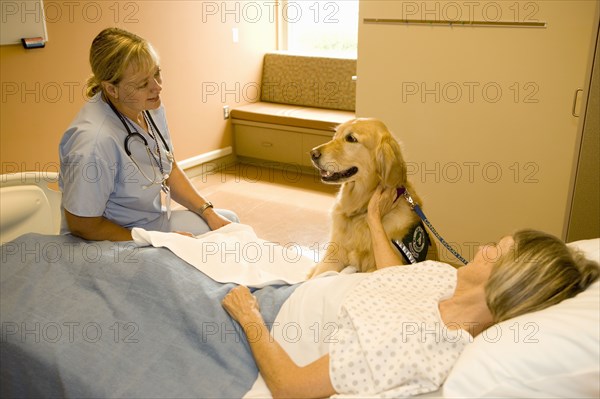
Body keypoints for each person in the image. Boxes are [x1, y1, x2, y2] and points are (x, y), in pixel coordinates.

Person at [222, 186, 599, 399]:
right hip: (298, 293)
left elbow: (291, 386)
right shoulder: (444, 282)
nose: (483, 247)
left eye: (494, 252)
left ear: (506, 284)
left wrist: (249, 316)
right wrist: (373, 219)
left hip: (276, 319)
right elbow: (398, 279)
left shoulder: (413, 344)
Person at [59, 28, 238, 241]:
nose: (157, 87)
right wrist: (155, 240)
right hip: (107, 240)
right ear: (111, 89)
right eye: (143, 84)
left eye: (157, 73)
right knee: (195, 257)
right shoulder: (93, 143)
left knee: (229, 225)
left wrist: (208, 212)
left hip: (148, 222)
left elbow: (168, 167)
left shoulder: (147, 106)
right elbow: (83, 225)